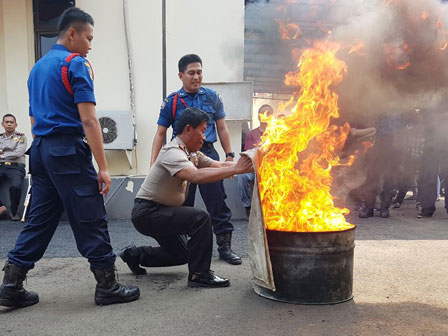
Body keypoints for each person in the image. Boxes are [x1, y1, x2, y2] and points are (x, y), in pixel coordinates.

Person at [0, 7, 139, 308]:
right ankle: (107, 286)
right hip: (67, 150)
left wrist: (48, 149)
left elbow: (34, 121)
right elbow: (90, 121)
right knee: (90, 215)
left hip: (40, 151)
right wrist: (103, 167)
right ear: (72, 33)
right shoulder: (76, 64)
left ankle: (11, 284)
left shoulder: (37, 68)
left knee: (39, 219)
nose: (91, 45)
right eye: (89, 38)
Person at [121, 108, 253, 287]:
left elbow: (218, 165)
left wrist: (250, 163)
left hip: (161, 211)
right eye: (203, 131)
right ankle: (200, 275)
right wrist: (237, 169)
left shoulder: (191, 154)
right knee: (200, 219)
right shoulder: (172, 152)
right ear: (188, 129)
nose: (204, 137)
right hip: (148, 213)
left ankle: (135, 255)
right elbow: (196, 176)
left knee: (182, 254)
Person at [151, 54, 241, 265]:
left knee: (217, 201)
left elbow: (222, 127)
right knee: (182, 203)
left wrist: (229, 156)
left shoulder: (212, 97)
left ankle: (225, 247)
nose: (196, 76)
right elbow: (160, 134)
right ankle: (185, 248)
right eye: (191, 73)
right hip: (181, 156)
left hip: (207, 153)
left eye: (199, 72)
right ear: (181, 75)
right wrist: (154, 163)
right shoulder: (172, 101)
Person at [237, 104, 273, 217]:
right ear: (258, 116)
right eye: (263, 112)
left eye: (268, 112)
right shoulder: (252, 134)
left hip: (272, 167)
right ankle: (248, 206)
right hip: (255, 166)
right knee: (242, 177)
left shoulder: (277, 133)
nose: (265, 115)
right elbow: (248, 152)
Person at [0, 114, 27, 221]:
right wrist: (9, 151)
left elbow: (18, 153)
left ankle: (14, 212)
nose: (9, 124)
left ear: (16, 125)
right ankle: (1, 207)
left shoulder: (21, 137)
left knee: (16, 186)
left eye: (11, 122)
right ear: (3, 124)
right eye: (7, 122)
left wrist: (2, 153)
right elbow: (13, 152)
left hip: (16, 167)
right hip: (1, 166)